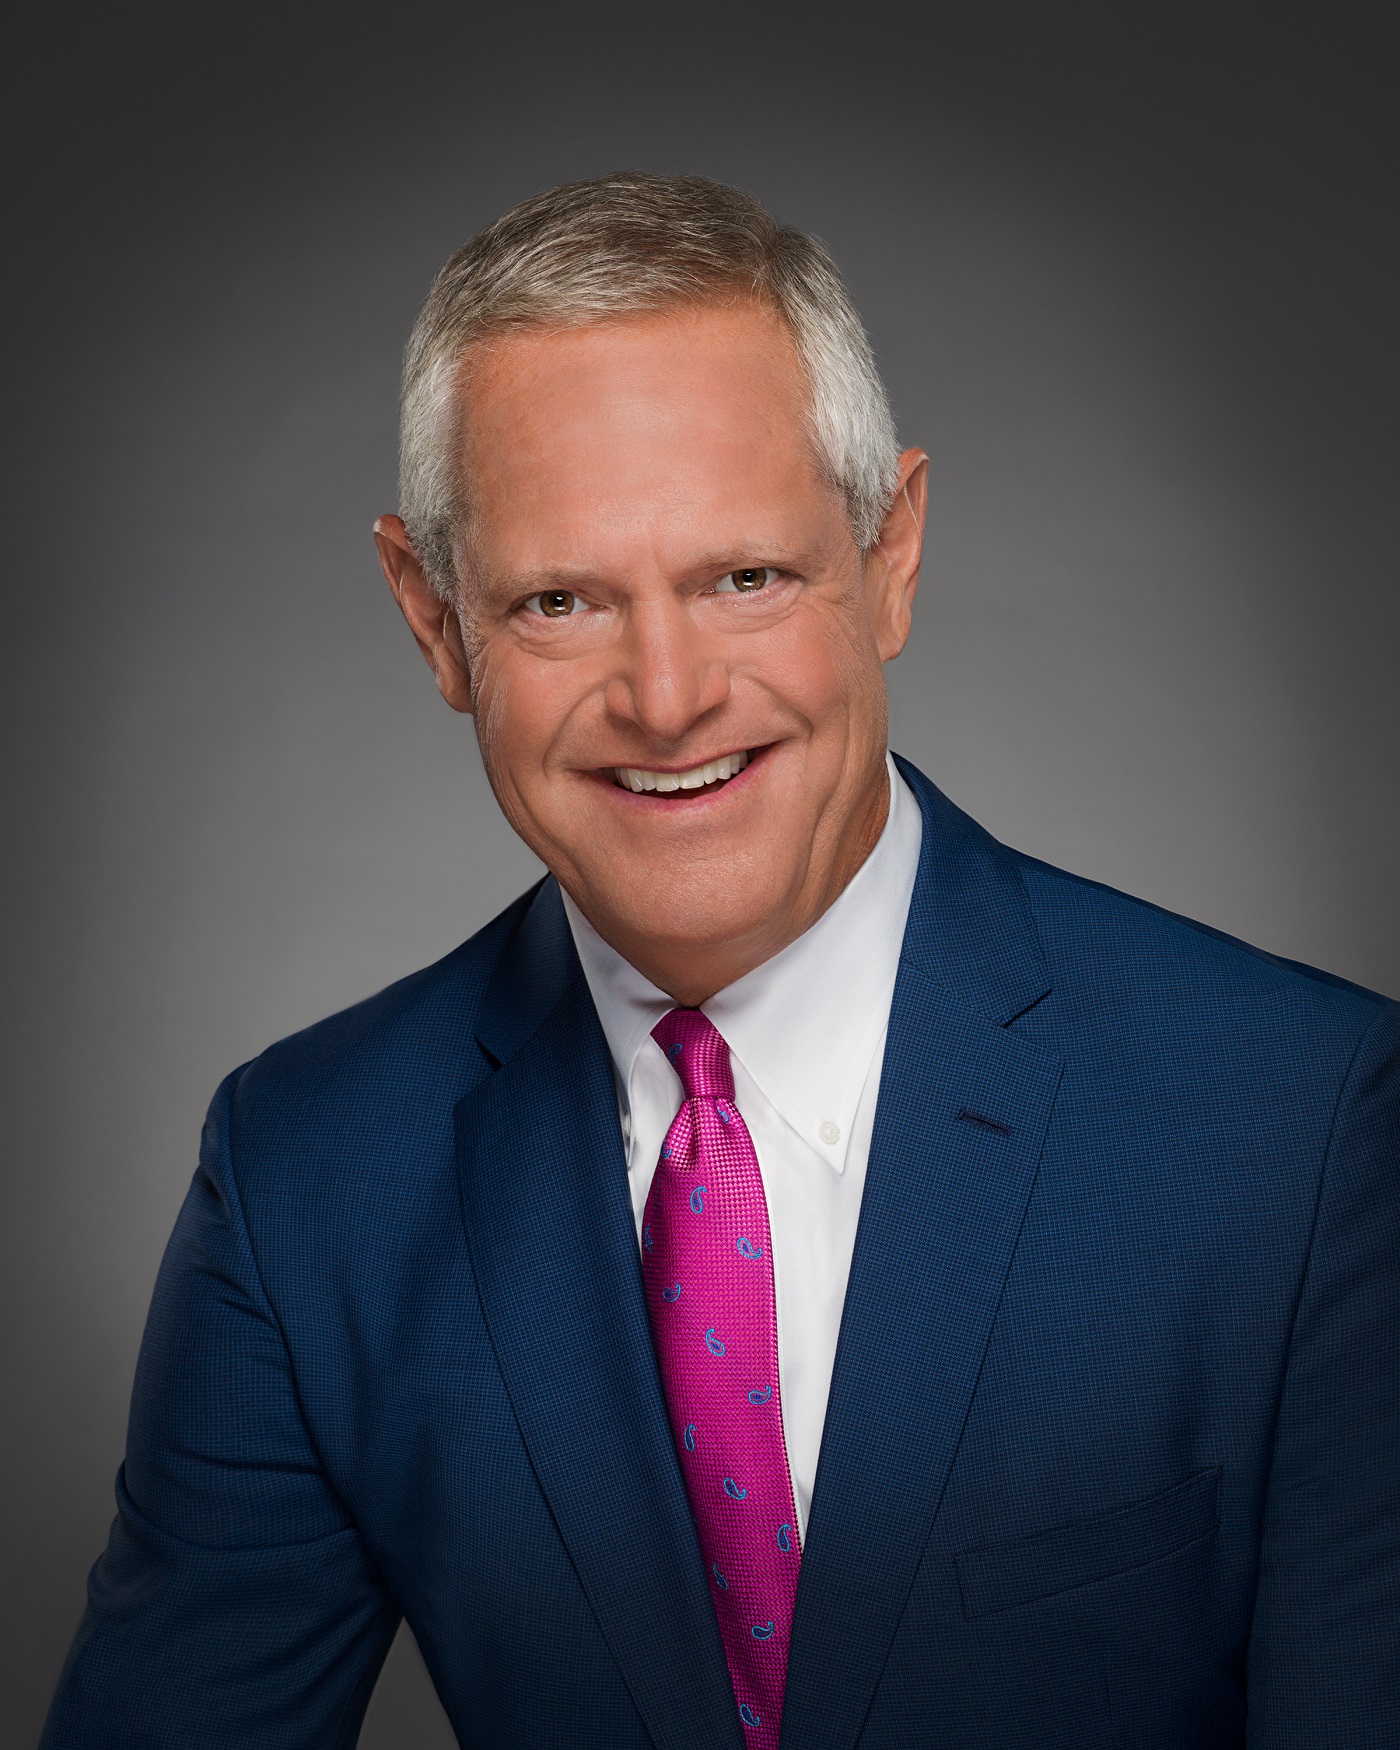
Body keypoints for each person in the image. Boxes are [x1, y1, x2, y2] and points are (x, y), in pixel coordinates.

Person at [42, 172, 1398, 1750]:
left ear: (891, 554)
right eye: (561, 600)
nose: (668, 696)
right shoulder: (307, 1180)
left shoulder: (1302, 1128)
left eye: (743, 577)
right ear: (433, 619)